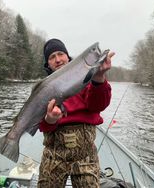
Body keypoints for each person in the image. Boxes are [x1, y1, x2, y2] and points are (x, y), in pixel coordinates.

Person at [37, 38, 115, 188]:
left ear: (68, 56)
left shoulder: (87, 78)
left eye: (60, 54)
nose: (58, 59)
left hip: (86, 154)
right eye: (52, 57)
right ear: (48, 64)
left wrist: (99, 77)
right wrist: (50, 120)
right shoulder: (43, 91)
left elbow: (98, 106)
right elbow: (42, 126)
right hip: (54, 153)